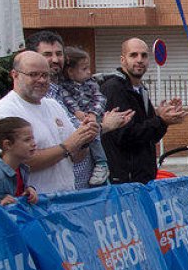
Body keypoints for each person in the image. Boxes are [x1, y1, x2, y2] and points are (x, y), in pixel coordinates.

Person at [0, 52, 97, 194]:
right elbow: (17, 162)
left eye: (45, 75)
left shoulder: (53, 105)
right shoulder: (5, 109)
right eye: (34, 74)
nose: (41, 80)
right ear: (15, 75)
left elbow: (75, 157)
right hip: (33, 205)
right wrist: (67, 146)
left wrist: (85, 139)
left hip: (66, 199)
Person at [101, 39, 188, 184]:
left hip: (144, 178)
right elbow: (125, 136)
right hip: (125, 181)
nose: (139, 60)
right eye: (133, 55)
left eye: (144, 55)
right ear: (123, 60)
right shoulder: (114, 89)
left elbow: (150, 138)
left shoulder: (142, 90)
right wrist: (160, 120)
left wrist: (165, 120)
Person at [53, 46, 134, 188]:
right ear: (71, 72)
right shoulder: (62, 88)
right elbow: (67, 101)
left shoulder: (91, 83)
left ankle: (101, 163)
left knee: (93, 133)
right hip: (80, 124)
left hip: (92, 117)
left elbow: (100, 98)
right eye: (84, 69)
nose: (89, 72)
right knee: (92, 133)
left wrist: (93, 113)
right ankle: (101, 163)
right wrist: (77, 111)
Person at [0, 117, 39, 206]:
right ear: (8, 144)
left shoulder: (22, 169)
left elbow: (17, 192)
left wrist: (29, 190)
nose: (34, 143)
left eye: (33, 138)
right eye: (27, 140)